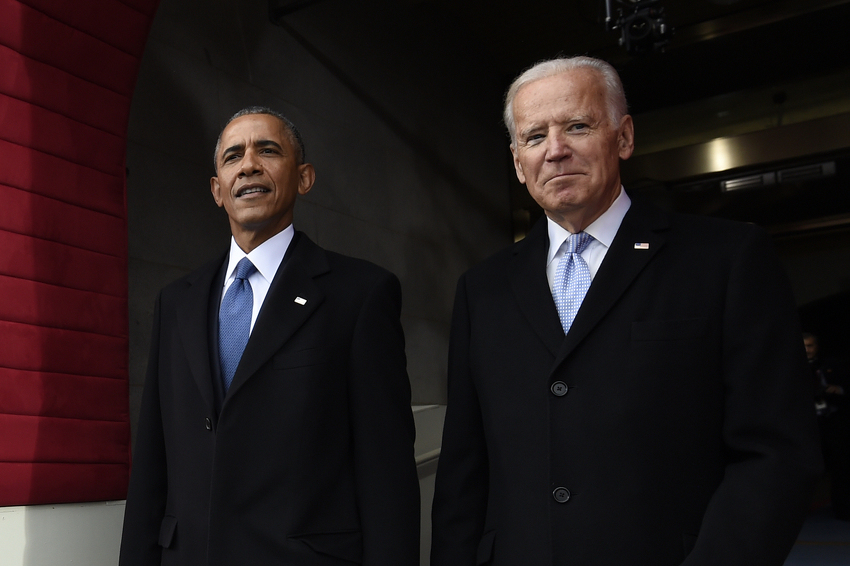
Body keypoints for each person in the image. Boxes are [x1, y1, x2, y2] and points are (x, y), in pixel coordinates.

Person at [431, 57, 822, 566]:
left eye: (577, 126)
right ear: (516, 161)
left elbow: (776, 453)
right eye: (534, 137)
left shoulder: (726, 259)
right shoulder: (481, 290)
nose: (555, 150)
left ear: (624, 137)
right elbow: (466, 468)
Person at [119, 107, 419, 565]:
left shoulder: (360, 295)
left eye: (268, 150)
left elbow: (386, 474)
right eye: (233, 156)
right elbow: (152, 466)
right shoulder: (176, 302)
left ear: (304, 178)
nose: (249, 165)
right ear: (218, 190)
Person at [804, 332, 850, 520]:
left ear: (817, 347)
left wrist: (837, 390)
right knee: (804, 468)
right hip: (805, 426)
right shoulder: (788, 368)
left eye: (810, 345)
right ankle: (796, 511)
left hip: (832, 422)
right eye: (803, 345)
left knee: (842, 465)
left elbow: (846, 386)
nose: (806, 350)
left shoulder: (832, 365)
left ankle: (843, 508)